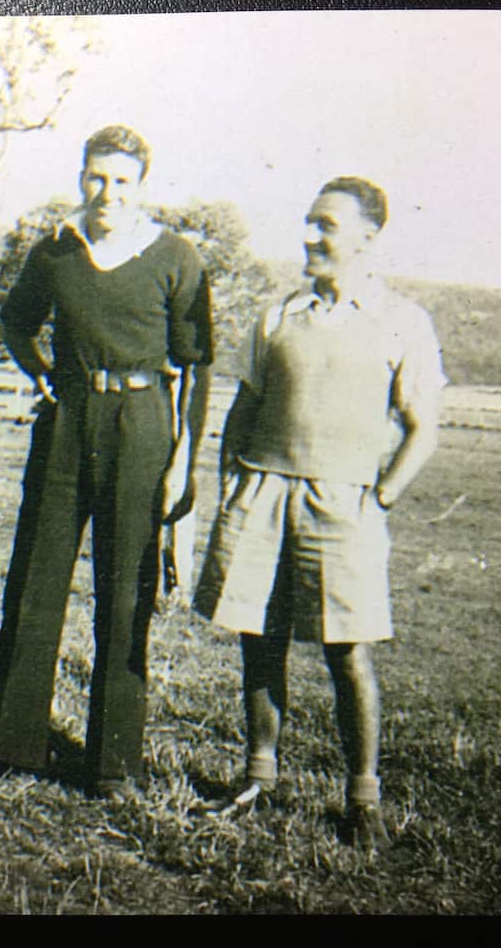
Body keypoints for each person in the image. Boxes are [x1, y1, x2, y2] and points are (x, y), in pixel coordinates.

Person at [193, 176, 445, 850]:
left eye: (326, 225)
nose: (310, 236)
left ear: (367, 236)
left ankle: (362, 798)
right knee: (258, 640)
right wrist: (232, 492)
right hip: (263, 494)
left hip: (343, 505)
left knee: (347, 652)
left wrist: (380, 496)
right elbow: (244, 410)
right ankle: (256, 778)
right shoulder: (281, 314)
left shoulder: (401, 321)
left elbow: (423, 428)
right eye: (307, 221)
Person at [0, 125, 213, 799]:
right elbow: (16, 323)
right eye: (96, 178)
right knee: (36, 579)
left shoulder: (174, 255)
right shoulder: (55, 250)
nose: (107, 193)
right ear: (82, 177)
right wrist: (41, 372)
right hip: (67, 420)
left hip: (142, 424)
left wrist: (181, 463)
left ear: (142, 186)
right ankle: (12, 746)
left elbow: (197, 370)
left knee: (126, 589)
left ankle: (112, 764)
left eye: (122, 181)